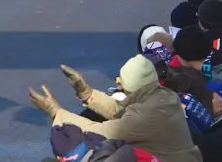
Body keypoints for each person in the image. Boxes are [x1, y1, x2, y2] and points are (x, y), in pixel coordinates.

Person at [29, 56, 203, 161]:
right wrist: (88, 94)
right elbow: (123, 111)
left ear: (131, 88)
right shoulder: (163, 96)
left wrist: (56, 112)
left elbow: (100, 131)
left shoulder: (146, 115)